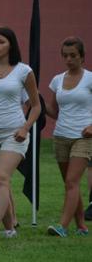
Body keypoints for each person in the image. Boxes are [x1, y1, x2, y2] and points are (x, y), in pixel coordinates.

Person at [0, 26, 41, 242]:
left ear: (10, 44)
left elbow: (37, 106)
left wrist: (25, 128)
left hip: (15, 133)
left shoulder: (24, 70)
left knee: (2, 177)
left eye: (1, 42)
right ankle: (10, 228)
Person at [46, 36, 92, 237]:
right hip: (61, 136)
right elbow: (54, 111)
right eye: (65, 56)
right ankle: (82, 226)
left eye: (73, 55)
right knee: (70, 183)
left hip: (84, 137)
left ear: (82, 57)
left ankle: (62, 227)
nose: (69, 59)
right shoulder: (57, 80)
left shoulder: (90, 78)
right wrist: (34, 101)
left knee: (71, 182)